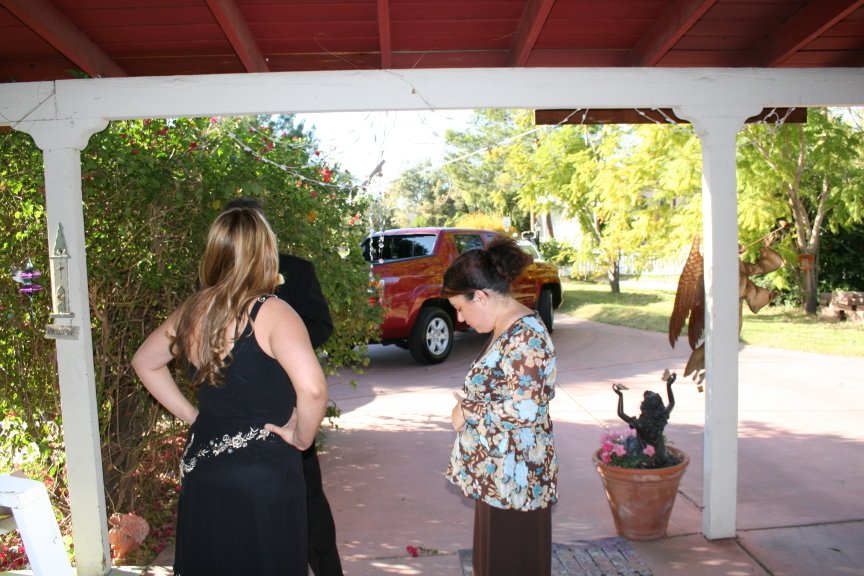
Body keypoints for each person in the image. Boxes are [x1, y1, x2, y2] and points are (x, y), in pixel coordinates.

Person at [132, 205, 327, 575]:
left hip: (204, 469)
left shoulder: (191, 311)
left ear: (215, 251)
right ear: (265, 251)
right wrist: (302, 437)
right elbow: (313, 389)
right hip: (265, 475)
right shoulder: (275, 313)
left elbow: (145, 362)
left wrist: (194, 417)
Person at [224, 198, 344, 575]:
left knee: (309, 504)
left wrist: (283, 346)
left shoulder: (296, 270)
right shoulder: (216, 281)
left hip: (288, 406)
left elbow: (321, 325)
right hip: (236, 409)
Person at [442, 237, 558, 576]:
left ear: (480, 296)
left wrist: (469, 411)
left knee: (511, 563)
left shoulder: (526, 337)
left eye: (460, 308)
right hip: (499, 477)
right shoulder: (507, 328)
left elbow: (526, 410)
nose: (460, 318)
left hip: (515, 482)